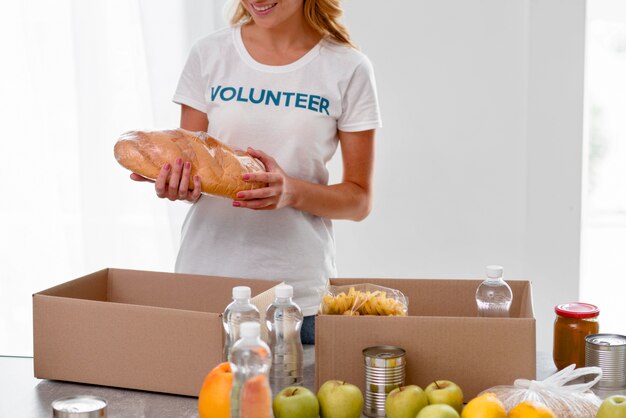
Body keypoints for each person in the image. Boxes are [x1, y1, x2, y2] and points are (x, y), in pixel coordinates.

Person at [131, 0, 381, 344]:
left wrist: (291, 192)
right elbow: (197, 163)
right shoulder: (209, 54)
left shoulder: (347, 68)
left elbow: (359, 200)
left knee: (292, 397)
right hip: (204, 286)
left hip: (293, 299)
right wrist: (180, 184)